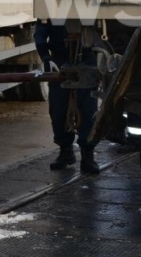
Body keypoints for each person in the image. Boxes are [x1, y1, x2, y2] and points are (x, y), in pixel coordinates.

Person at [33, 19, 100, 174]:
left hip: (87, 58)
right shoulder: (51, 4)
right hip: (59, 60)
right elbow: (40, 33)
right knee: (58, 109)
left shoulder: (91, 2)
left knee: (88, 110)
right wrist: (45, 57)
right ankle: (66, 151)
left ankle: (87, 155)